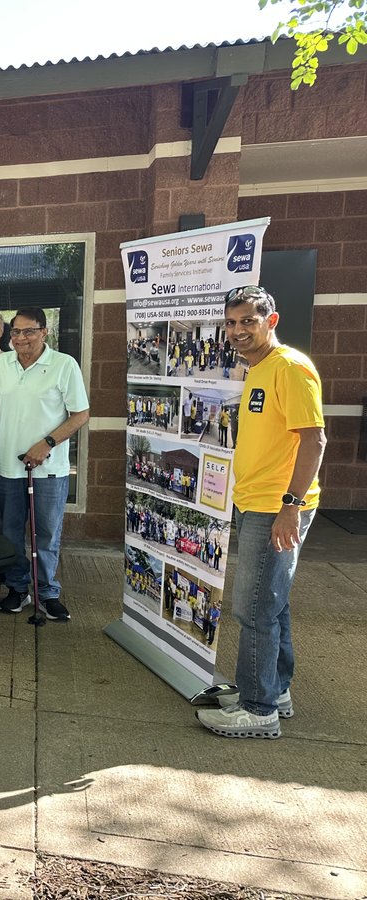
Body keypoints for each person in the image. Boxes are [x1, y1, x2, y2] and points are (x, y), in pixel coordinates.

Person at [198, 285, 326, 740]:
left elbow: (314, 440)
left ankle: (258, 709)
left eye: (247, 321)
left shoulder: (289, 368)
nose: (237, 331)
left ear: (270, 321)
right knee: (273, 603)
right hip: (257, 503)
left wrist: (290, 508)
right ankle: (276, 690)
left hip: (277, 507)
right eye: (231, 323)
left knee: (253, 609)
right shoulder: (258, 369)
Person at [0, 307, 89, 621]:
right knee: (12, 533)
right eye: (15, 332)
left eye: (29, 331)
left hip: (49, 470)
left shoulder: (63, 365)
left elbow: (80, 415)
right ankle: (18, 588)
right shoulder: (1, 364)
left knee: (46, 534)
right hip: (7, 467)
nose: (21, 338)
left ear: (44, 332)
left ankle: (47, 592)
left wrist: (47, 443)